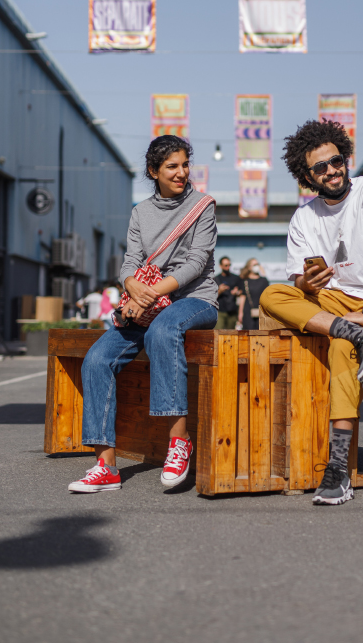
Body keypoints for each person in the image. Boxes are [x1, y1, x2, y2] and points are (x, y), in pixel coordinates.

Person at [260, 120, 363, 506]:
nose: (332, 170)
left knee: (338, 347)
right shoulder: (304, 218)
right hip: (335, 302)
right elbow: (298, 278)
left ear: (346, 158)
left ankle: (337, 468)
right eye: (320, 167)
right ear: (306, 176)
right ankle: (358, 336)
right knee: (272, 294)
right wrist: (307, 285)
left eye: (337, 161)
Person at [68, 135, 218, 494]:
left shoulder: (203, 205)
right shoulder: (140, 212)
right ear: (153, 171)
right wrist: (131, 284)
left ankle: (179, 442)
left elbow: (197, 263)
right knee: (97, 359)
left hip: (194, 300)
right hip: (146, 305)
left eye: (185, 165)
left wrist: (147, 295)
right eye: (172, 167)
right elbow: (130, 262)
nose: (181, 173)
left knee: (162, 332)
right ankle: (105, 466)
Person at [237, 258, 269, 330]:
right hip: (248, 312)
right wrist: (240, 313)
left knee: (261, 334)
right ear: (249, 267)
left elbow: (267, 296)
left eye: (258, 264)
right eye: (254, 265)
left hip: (262, 312)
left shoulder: (264, 280)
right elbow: (242, 297)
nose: (257, 266)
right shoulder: (245, 281)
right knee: (248, 334)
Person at [214, 256, 242, 329]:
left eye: (229, 265)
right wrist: (220, 291)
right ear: (220, 266)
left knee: (231, 334)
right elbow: (211, 296)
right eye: (226, 265)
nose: (228, 267)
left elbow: (242, 292)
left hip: (232, 311)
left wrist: (236, 293)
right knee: (218, 333)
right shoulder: (216, 279)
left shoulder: (236, 278)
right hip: (220, 311)